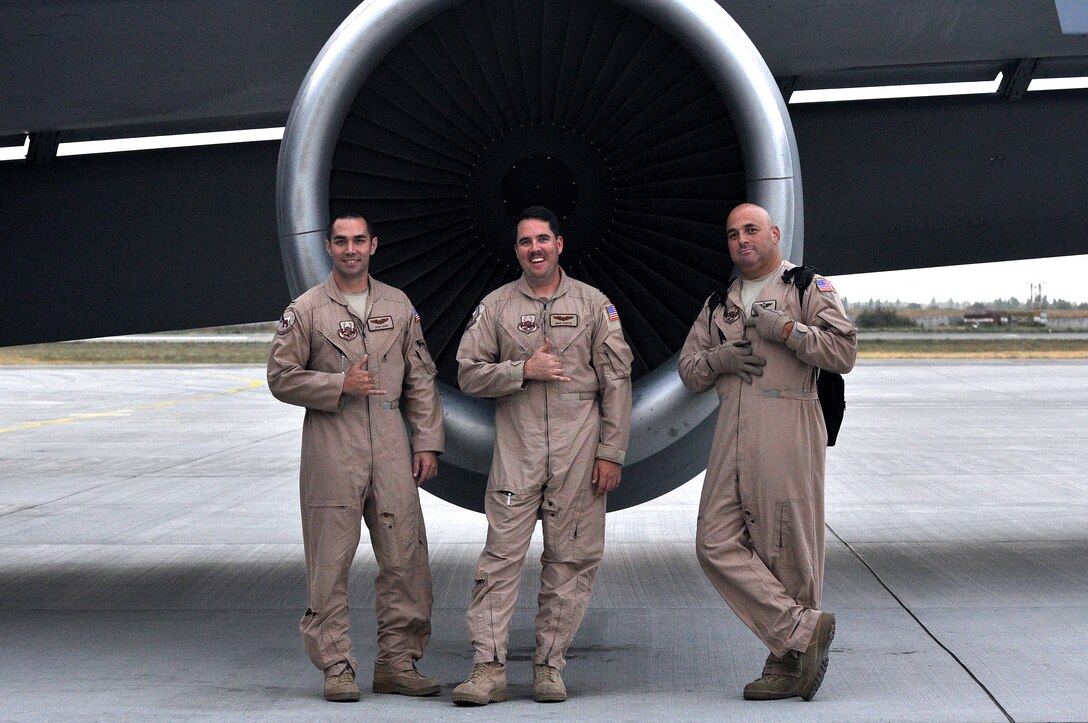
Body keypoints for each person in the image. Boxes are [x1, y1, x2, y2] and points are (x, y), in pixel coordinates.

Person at [451, 206, 633, 705]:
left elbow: (617, 382)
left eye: (542, 239)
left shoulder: (595, 305)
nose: (535, 249)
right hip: (519, 451)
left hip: (579, 453)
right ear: (517, 250)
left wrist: (611, 452)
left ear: (559, 244)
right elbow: (468, 373)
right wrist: (521, 371)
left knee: (570, 562)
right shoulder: (496, 308)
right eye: (525, 241)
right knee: (499, 560)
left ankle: (550, 665)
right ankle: (487, 668)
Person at [678, 202, 857, 701]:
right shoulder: (721, 302)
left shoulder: (805, 287)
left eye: (751, 230)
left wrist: (789, 331)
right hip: (731, 429)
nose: (742, 240)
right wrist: (719, 358)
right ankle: (803, 630)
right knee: (713, 542)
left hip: (787, 421)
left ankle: (785, 663)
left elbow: (844, 351)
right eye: (733, 234)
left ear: (774, 234)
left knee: (785, 545)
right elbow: (689, 370)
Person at [267, 212, 444, 703]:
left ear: (373, 245)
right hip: (333, 445)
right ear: (328, 247)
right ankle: (337, 667)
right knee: (330, 564)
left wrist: (427, 441)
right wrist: (337, 384)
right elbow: (280, 377)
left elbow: (421, 377)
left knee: (405, 558)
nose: (351, 249)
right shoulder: (306, 310)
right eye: (341, 241)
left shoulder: (398, 305)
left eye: (359, 241)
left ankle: (397, 663)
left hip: (390, 443)